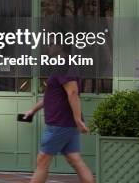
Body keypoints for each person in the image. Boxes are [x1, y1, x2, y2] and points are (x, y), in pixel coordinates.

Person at [24, 44, 94, 183]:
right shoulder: (62, 64)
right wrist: (33, 110)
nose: (47, 47)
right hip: (65, 123)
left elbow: (73, 93)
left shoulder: (64, 64)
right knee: (75, 159)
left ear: (60, 46)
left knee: (42, 160)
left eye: (51, 43)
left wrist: (78, 119)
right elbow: (52, 95)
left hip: (60, 124)